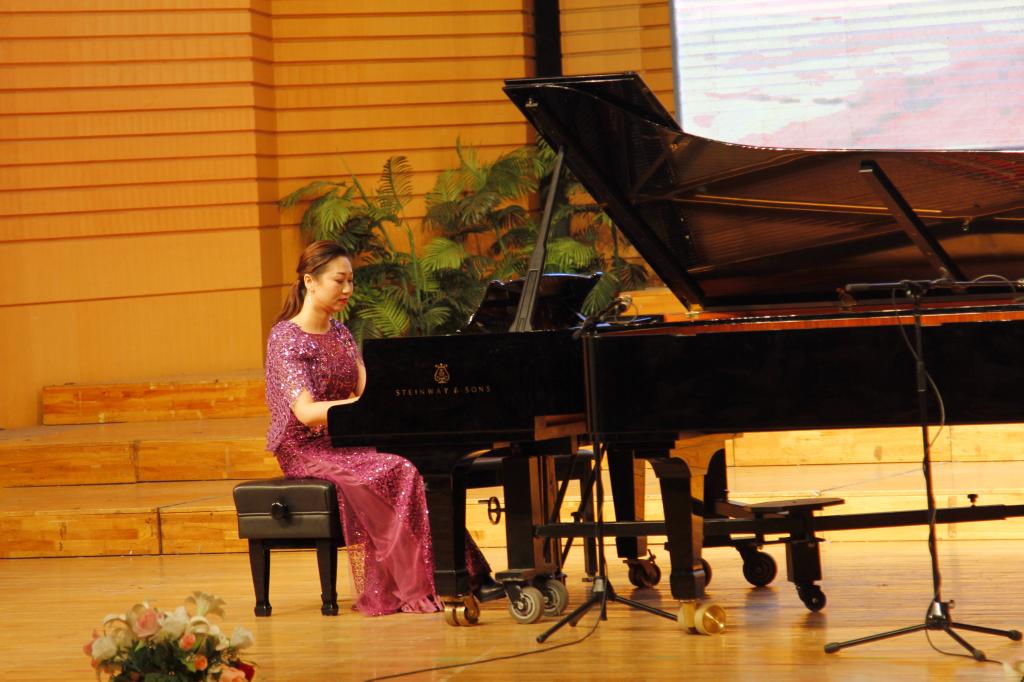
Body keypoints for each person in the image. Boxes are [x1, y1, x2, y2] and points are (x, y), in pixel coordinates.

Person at [264, 240, 492, 615]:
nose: (348, 289)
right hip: (305, 449)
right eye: (339, 280)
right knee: (398, 468)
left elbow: (368, 390)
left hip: (345, 439)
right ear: (310, 281)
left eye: (351, 280)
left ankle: (460, 573)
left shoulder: (340, 333)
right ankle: (421, 583)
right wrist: (362, 407)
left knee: (421, 462)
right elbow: (305, 412)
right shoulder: (285, 338)